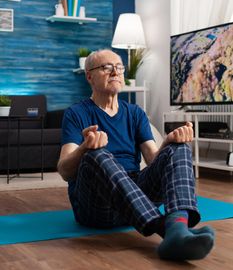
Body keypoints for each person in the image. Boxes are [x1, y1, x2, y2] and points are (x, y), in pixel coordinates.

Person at [58, 49, 215, 261]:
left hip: (136, 201)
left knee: (179, 148)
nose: (115, 71)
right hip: (97, 207)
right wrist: (85, 146)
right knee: (95, 155)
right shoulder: (76, 113)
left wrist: (169, 142)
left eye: (119, 67)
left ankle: (178, 226)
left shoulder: (135, 113)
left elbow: (152, 159)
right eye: (106, 67)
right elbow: (65, 171)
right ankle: (168, 232)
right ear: (89, 76)